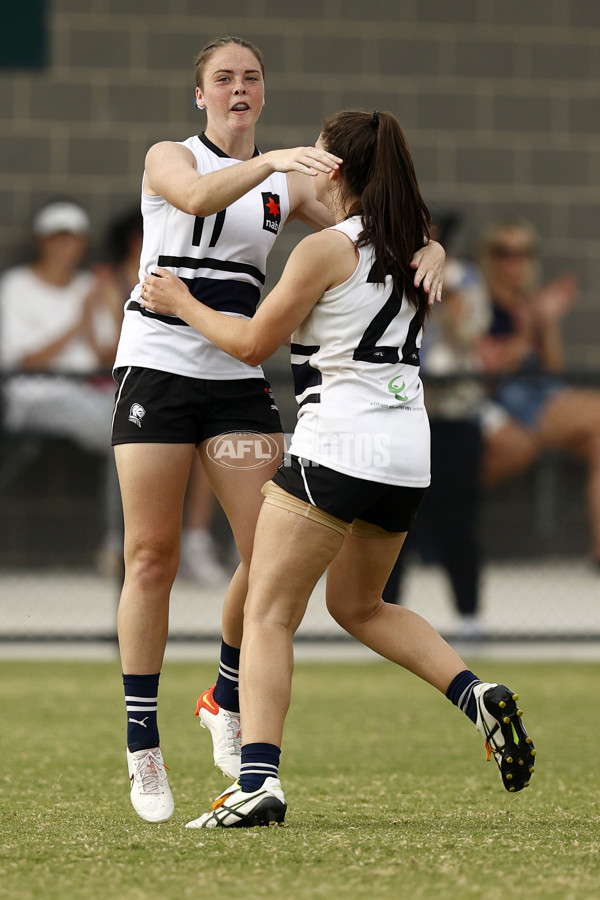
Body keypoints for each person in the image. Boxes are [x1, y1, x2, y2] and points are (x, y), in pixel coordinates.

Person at [141, 109, 535, 829]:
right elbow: (420, 243)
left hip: (337, 447)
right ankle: (474, 693)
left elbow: (252, 343)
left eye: (318, 158)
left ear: (340, 170)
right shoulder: (414, 244)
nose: (307, 167)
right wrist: (439, 246)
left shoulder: (326, 249)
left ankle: (257, 780)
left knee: (268, 610)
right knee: (359, 607)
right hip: (406, 455)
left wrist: (182, 302)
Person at [111, 36, 446, 824]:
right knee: (152, 555)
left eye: (250, 78)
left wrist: (429, 246)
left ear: (263, 93)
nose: (238, 89)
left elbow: (378, 223)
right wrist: (275, 165)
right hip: (157, 368)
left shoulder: (283, 182)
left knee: (270, 553)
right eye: (223, 79)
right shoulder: (176, 157)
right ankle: (141, 745)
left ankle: (224, 696)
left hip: (234, 380)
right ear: (201, 95)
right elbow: (194, 200)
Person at [97, 207, 228, 585]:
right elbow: (106, 349)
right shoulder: (111, 282)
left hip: (206, 375)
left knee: (209, 447)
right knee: (123, 451)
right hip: (125, 382)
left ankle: (196, 539)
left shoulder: (192, 273)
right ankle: (116, 538)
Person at [383, 215, 491, 639]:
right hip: (401, 415)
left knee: (457, 520)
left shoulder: (464, 279)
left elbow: (466, 338)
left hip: (452, 417)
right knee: (392, 521)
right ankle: (384, 616)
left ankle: (469, 614)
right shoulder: (388, 274)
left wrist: (445, 304)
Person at [0, 199, 122, 565]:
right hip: (33, 397)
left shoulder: (89, 285)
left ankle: (122, 545)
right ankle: (119, 544)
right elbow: (26, 361)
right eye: (56, 238)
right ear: (42, 241)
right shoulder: (16, 286)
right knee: (122, 433)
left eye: (71, 239)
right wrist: (80, 319)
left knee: (140, 424)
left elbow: (107, 356)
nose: (64, 247)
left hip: (87, 394)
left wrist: (112, 309)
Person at [476, 219, 600, 568]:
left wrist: (544, 321)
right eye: (504, 253)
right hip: (508, 402)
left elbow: (553, 367)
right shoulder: (479, 304)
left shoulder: (529, 302)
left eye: (523, 253)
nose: (515, 262)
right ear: (490, 257)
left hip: (542, 394)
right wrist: (528, 324)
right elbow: (487, 375)